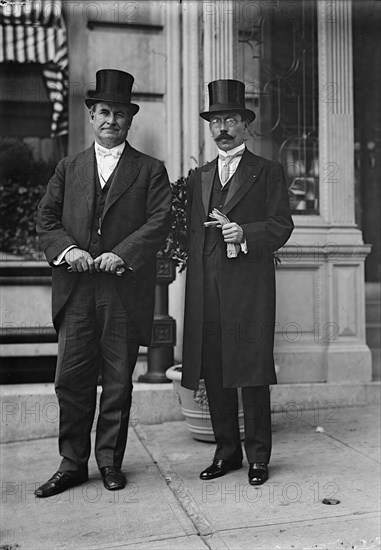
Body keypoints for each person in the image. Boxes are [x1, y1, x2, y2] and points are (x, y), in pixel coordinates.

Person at [35, 69, 171, 497]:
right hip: (75, 289)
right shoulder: (68, 167)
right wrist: (68, 250)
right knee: (71, 380)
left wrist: (123, 254)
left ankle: (110, 462)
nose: (111, 120)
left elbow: (159, 220)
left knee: (117, 381)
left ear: (130, 120)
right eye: (103, 112)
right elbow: (46, 219)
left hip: (121, 289)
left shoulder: (150, 170)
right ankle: (72, 463)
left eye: (119, 113)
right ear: (91, 116)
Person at [182, 79, 294, 485]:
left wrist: (245, 232)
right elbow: (194, 234)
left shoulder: (267, 172)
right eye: (216, 120)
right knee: (214, 370)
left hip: (249, 287)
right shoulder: (200, 176)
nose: (222, 127)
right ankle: (226, 452)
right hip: (207, 288)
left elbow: (282, 225)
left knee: (251, 370)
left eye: (231, 119)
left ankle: (259, 457)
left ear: (246, 125)